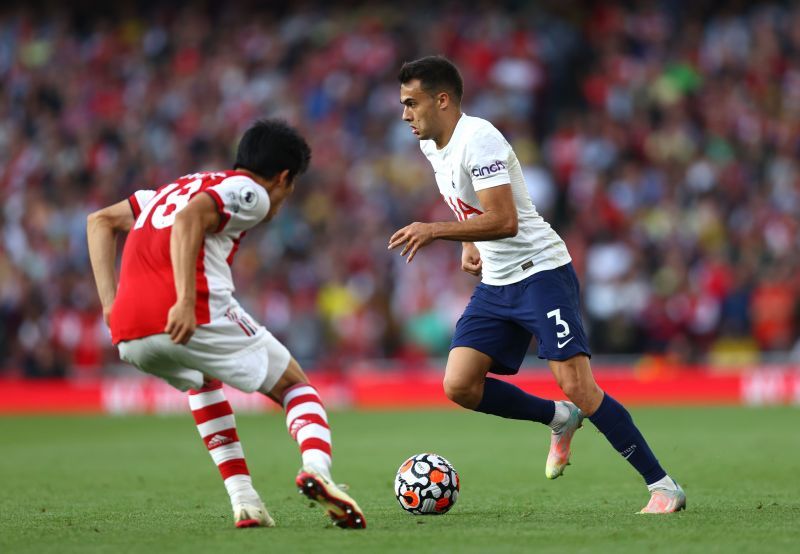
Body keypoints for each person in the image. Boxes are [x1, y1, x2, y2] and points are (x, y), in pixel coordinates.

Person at [390, 56, 685, 514]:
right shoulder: (434, 146)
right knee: (460, 384)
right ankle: (557, 418)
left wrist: (435, 230)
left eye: (412, 103)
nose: (405, 114)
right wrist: (468, 243)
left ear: (442, 99)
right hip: (498, 280)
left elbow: (506, 221)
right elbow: (473, 206)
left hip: (540, 273)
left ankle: (663, 486)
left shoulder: (479, 139)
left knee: (579, 385)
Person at [87, 119, 366, 529]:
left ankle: (246, 502)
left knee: (202, 379)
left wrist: (109, 305)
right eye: (291, 189)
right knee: (294, 385)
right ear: (283, 178)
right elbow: (188, 222)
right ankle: (318, 471)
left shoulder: (170, 189)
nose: (286, 199)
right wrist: (184, 300)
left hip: (130, 333)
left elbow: (99, 221)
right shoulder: (250, 191)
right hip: (188, 313)